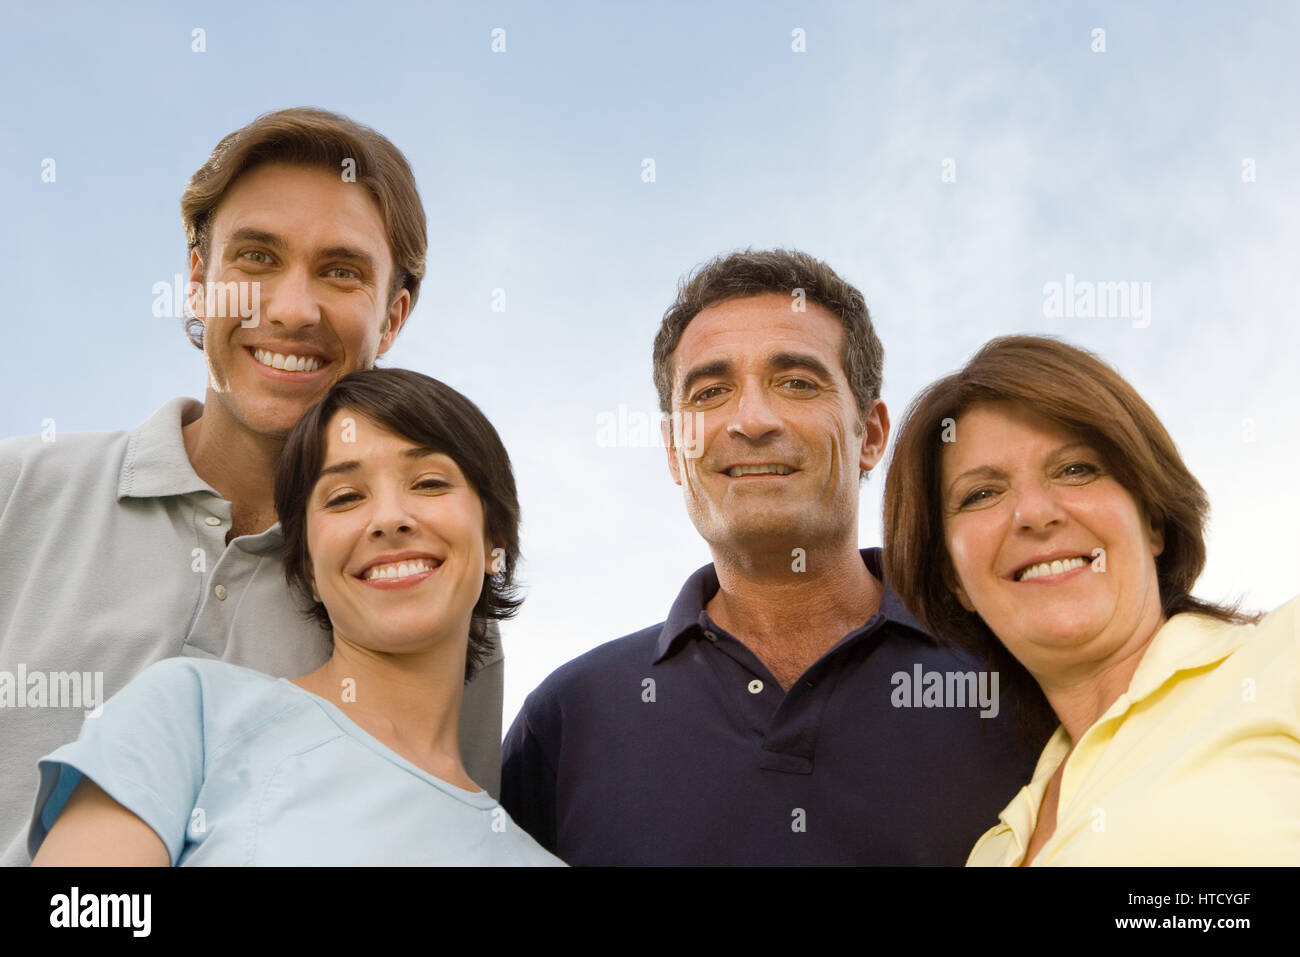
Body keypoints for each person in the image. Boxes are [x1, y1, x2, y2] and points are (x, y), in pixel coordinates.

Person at [0, 108, 504, 866]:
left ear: (392, 316)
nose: (292, 309)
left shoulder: (423, 605)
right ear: (198, 283)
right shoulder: (18, 491)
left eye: (341, 271)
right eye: (257, 258)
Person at [500, 249, 1046, 865]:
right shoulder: (569, 718)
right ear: (676, 453)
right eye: (710, 392)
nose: (751, 420)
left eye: (796, 383)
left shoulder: (1019, 668)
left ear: (869, 435)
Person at [28, 369, 561, 866]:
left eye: (429, 484)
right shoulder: (191, 712)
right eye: (346, 497)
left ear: (495, 540)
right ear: (306, 566)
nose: (390, 519)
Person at [882, 334, 1300, 866]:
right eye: (981, 494)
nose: (1035, 512)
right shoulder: (994, 850)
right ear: (953, 579)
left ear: (1151, 518)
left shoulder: (1285, 655)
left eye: (1076, 469)